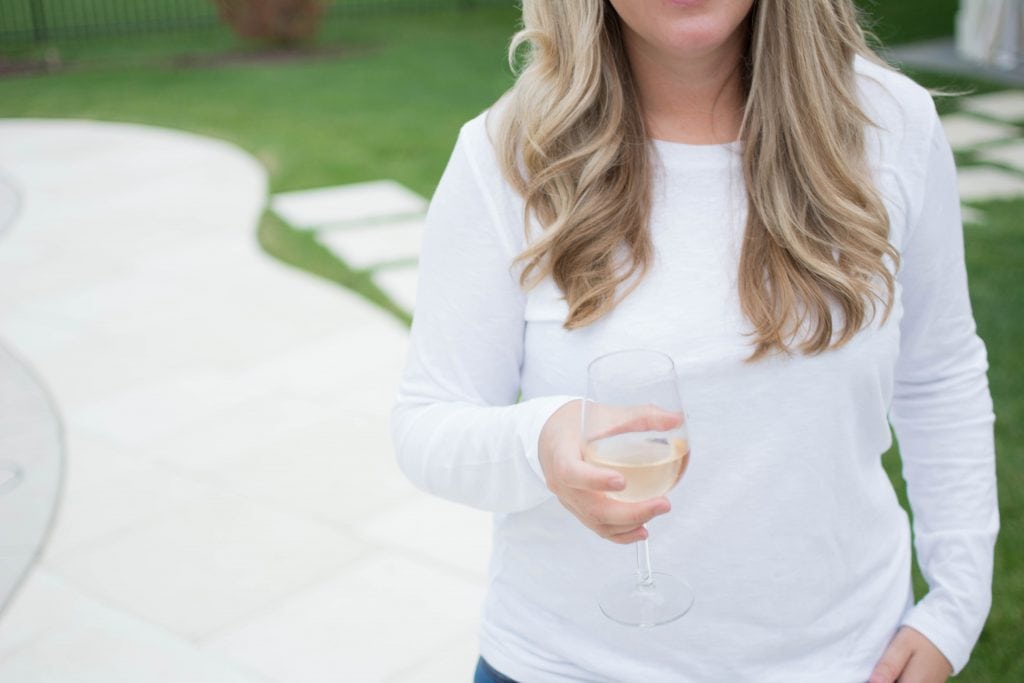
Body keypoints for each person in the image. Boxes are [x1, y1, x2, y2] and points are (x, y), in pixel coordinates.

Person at [390, 1, 999, 681]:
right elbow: (427, 423)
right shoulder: (508, 154)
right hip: (568, 665)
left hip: (845, 659)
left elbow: (939, 375)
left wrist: (955, 607)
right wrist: (542, 441)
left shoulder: (891, 124)